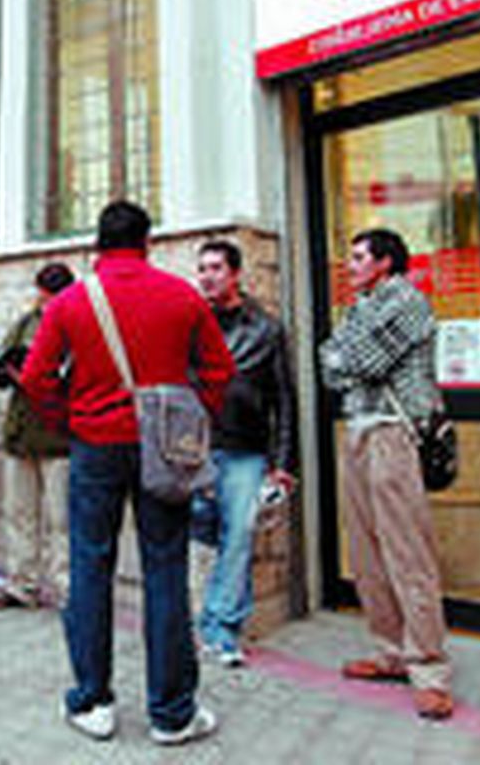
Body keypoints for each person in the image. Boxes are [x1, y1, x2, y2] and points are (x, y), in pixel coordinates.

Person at [21, 200, 233, 747]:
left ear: (96, 244)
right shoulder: (181, 295)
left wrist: (70, 422)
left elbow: (36, 377)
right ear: (147, 243)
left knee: (90, 568)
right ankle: (171, 713)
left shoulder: (70, 302)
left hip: (95, 444)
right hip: (163, 446)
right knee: (166, 570)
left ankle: (93, 703)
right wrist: (192, 415)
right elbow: (218, 371)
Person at [319, 227, 454, 721]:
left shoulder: (409, 302)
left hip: (396, 432)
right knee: (367, 550)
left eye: (358, 257)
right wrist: (344, 357)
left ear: (385, 262)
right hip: (357, 431)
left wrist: (344, 357)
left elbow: (359, 361)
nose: (349, 265)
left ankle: (429, 670)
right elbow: (329, 363)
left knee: (406, 551)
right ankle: (391, 651)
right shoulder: (359, 307)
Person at [192, 240, 296, 667]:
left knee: (237, 540)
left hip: (245, 451)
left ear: (236, 274)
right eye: (202, 269)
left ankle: (221, 629)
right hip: (195, 450)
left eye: (216, 267)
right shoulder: (191, 324)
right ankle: (216, 618)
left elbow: (285, 400)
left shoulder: (266, 329)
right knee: (205, 533)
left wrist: (284, 463)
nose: (207, 276)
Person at [0, 261, 75, 612]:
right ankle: (23, 584)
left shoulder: (77, 327)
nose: (43, 304)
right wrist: (5, 368)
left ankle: (67, 588)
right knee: (19, 513)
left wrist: (38, 379)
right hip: (22, 432)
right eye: (41, 297)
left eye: (50, 298)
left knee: (61, 520)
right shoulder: (25, 324)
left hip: (59, 435)